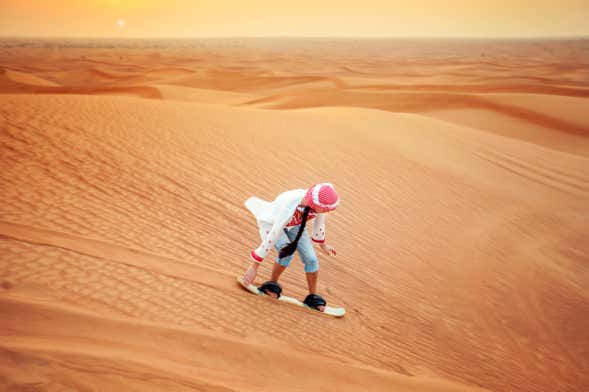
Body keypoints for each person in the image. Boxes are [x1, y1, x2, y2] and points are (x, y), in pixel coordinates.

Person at [242, 183, 339, 312]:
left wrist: (323, 245)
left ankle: (312, 296)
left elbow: (319, 222)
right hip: (273, 223)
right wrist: (254, 267)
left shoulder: (318, 204)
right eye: (326, 209)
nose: (328, 211)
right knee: (286, 252)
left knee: (312, 260)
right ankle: (272, 284)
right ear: (316, 204)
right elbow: (274, 234)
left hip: (295, 225)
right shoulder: (289, 206)